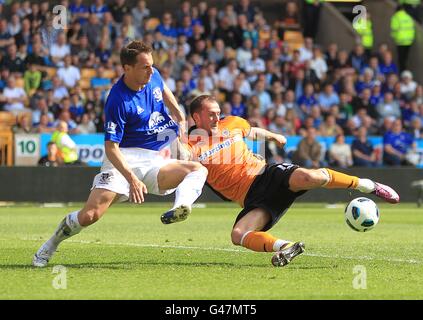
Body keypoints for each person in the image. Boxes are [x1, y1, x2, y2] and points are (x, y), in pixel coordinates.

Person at [32, 41, 208, 268]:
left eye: (151, 65)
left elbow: (164, 90)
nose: (151, 70)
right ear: (127, 68)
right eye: (145, 67)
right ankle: (51, 244)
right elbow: (111, 148)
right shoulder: (117, 100)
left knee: (197, 170)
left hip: (154, 158)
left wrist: (180, 118)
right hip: (122, 159)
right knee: (90, 215)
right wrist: (132, 179)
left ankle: (179, 208)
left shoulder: (152, 76)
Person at [174, 95, 399, 267]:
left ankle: (368, 185)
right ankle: (287, 247)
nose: (216, 117)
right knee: (238, 235)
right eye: (211, 114)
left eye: (218, 112)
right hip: (251, 198)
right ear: (196, 117)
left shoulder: (231, 123)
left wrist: (274, 136)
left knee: (311, 177)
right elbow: (181, 158)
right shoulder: (190, 144)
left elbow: (252, 132)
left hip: (266, 175)